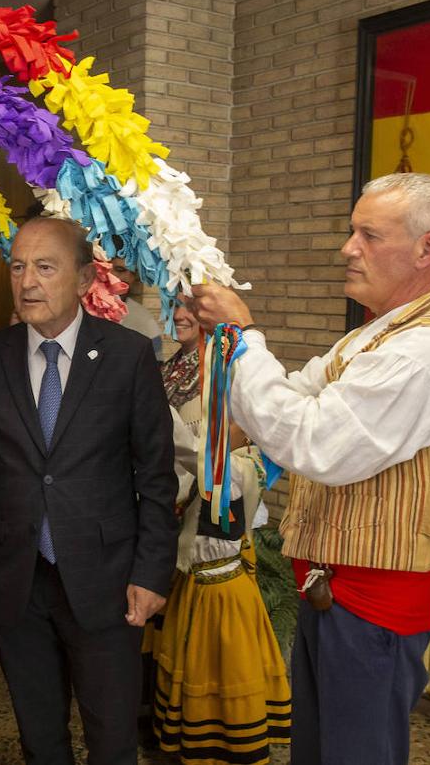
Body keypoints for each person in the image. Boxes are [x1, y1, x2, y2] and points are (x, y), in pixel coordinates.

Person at [189, 172, 430, 765]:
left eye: (368, 236)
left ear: (428, 248)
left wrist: (243, 333)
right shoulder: (373, 336)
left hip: (375, 602)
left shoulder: (429, 350)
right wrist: (223, 346)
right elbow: (287, 402)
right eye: (352, 232)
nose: (347, 249)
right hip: (333, 586)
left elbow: (313, 441)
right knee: (320, 748)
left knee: (357, 752)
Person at [0, 217, 178, 764]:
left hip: (107, 585)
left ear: (83, 280)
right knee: (40, 737)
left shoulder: (127, 357)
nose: (27, 281)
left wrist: (151, 575)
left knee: (113, 737)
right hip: (15, 585)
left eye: (45, 267)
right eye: (18, 266)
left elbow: (155, 478)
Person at [148, 303, 291, 765]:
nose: (217, 425)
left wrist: (150, 405)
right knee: (196, 670)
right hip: (200, 583)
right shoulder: (236, 464)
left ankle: (226, 747)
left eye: (227, 418)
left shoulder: (241, 469)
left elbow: (194, 455)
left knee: (224, 675)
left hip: (224, 594)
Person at [110, 255, 164, 360]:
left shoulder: (143, 318)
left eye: (133, 273)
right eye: (120, 270)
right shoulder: (80, 308)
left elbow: (157, 362)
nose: (127, 278)